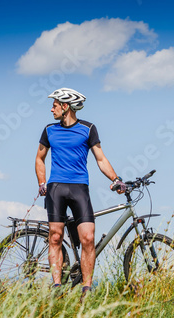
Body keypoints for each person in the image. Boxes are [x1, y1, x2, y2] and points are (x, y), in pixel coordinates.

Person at [35, 88, 125, 300]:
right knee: (55, 237)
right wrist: (41, 182)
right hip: (56, 188)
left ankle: (86, 288)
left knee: (88, 238)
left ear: (66, 106)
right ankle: (57, 288)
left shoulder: (88, 129)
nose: (52, 109)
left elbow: (100, 159)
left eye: (55, 105)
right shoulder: (49, 130)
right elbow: (39, 158)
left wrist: (115, 179)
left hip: (79, 188)